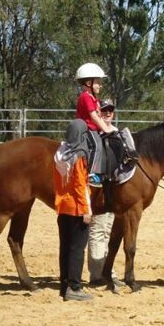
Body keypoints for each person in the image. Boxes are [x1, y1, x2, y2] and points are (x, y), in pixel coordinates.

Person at [53, 119, 93, 302]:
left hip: (62, 206)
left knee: (65, 247)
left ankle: (64, 284)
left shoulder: (60, 153)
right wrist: (86, 209)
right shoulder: (80, 155)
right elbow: (80, 185)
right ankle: (74, 288)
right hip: (77, 208)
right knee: (77, 248)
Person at [87, 98, 122, 287]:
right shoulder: (94, 135)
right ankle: (96, 274)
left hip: (114, 192)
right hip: (99, 192)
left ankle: (108, 271)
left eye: (110, 110)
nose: (108, 113)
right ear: (99, 113)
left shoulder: (116, 133)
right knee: (98, 230)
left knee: (108, 231)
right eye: (104, 110)